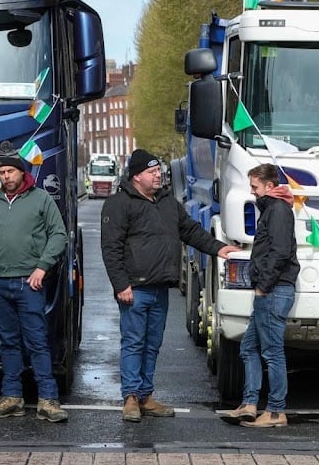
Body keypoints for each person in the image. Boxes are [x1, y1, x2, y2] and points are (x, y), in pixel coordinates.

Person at [101, 149, 236, 422]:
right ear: (136, 176)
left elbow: (191, 231)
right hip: (134, 289)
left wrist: (219, 249)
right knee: (133, 342)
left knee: (152, 344)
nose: (158, 175)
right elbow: (110, 248)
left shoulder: (167, 203)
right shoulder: (118, 204)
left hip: (160, 287)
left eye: (158, 171)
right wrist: (121, 284)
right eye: (151, 172)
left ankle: (145, 396)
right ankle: (130, 398)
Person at [0, 141, 69, 423]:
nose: (6, 177)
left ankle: (48, 400)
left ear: (21, 172)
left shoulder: (41, 199)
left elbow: (58, 235)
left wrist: (42, 267)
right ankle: (12, 396)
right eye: (1, 173)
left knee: (38, 342)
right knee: (9, 343)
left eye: (10, 172)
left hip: (30, 283)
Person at [220, 164, 299, 429]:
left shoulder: (277, 210)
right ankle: (249, 404)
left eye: (255, 187)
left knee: (272, 351)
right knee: (248, 347)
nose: (252, 193)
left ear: (269, 185)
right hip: (271, 290)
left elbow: (280, 251)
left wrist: (263, 285)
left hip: (273, 290)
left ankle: (275, 411)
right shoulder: (273, 208)